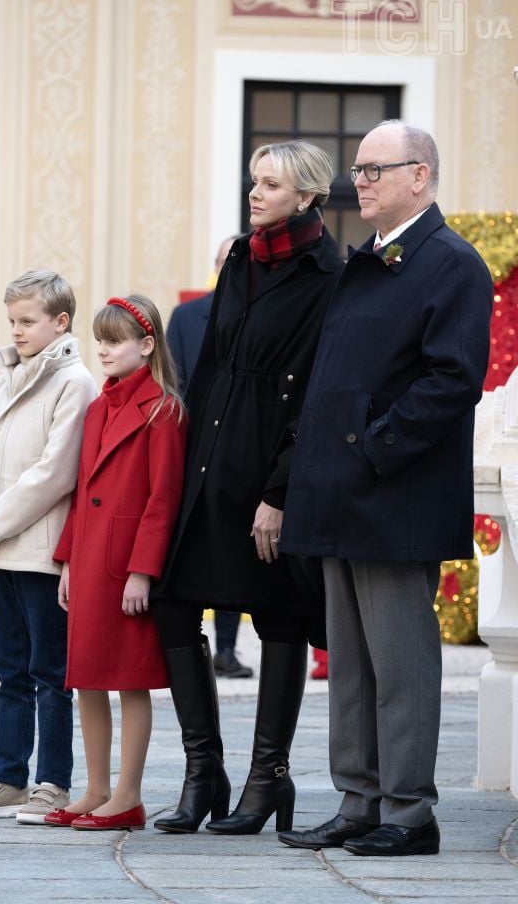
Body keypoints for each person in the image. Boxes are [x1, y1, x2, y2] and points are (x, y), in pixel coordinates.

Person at [278, 121, 493, 857]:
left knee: (401, 666)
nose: (357, 181)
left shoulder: (450, 263)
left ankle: (408, 811)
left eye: (374, 169)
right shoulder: (366, 261)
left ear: (420, 177)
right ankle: (359, 799)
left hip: (393, 496)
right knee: (352, 665)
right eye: (357, 170)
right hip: (343, 494)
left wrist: (375, 449)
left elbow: (453, 378)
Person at [151, 139, 344, 835]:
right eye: (254, 181)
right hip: (210, 458)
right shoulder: (239, 259)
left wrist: (280, 492)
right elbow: (211, 367)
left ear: (307, 196)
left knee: (280, 619)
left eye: (270, 185)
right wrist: (177, 465)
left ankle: (270, 781)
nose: (255, 193)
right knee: (173, 606)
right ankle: (205, 772)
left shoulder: (331, 273)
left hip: (270, 471)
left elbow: (319, 395)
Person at [0, 269, 97, 823]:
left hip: (38, 550)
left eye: (27, 321)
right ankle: (8, 777)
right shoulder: (8, 380)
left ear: (60, 322)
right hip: (0, 549)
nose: (16, 331)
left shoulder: (74, 383)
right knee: (8, 668)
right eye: (12, 320)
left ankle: (52, 782)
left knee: (49, 671)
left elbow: (54, 472)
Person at [43, 295, 187, 831]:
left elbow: (162, 499)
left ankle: (127, 795)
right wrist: (67, 564)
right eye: (99, 340)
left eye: (115, 340)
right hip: (89, 563)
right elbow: (84, 491)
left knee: (130, 679)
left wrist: (142, 571)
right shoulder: (99, 407)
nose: (102, 350)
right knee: (87, 678)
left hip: (125, 568)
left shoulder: (163, 410)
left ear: (146, 346)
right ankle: (96, 788)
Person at [166, 234, 253, 679]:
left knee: (230, 549)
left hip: (237, 454)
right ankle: (187, 643)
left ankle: (227, 649)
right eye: (224, 261)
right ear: (216, 266)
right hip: (190, 447)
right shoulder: (185, 317)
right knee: (193, 548)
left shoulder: (257, 315)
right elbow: (174, 380)